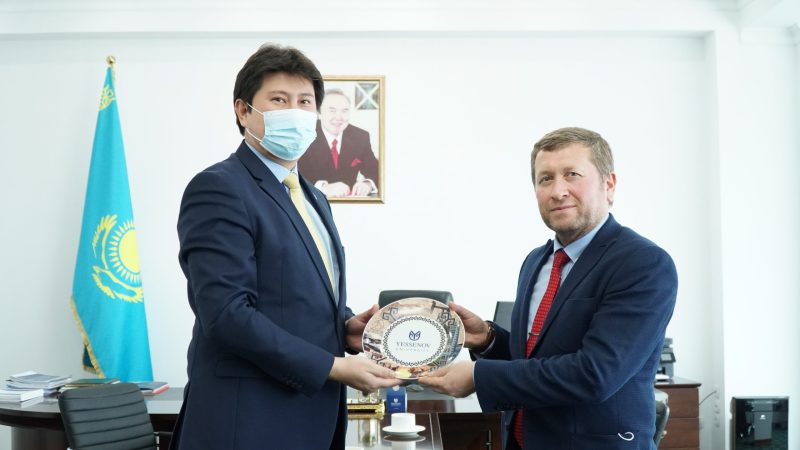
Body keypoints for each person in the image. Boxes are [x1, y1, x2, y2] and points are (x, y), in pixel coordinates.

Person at [171, 44, 400, 450]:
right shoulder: (219, 188)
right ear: (243, 111)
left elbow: (294, 298)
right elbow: (226, 315)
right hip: (249, 422)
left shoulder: (314, 197)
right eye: (279, 100)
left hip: (311, 417)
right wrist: (333, 366)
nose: (295, 112)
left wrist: (345, 327)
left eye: (305, 102)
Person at [420, 127, 678, 450]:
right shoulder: (536, 262)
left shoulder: (643, 263)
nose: (558, 191)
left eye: (572, 175)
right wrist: (488, 339)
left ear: (609, 185)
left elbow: (594, 374)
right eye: (545, 179)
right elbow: (538, 357)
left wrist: (478, 376)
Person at [299, 88, 380, 197]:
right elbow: (293, 175)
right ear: (319, 112)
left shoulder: (360, 137)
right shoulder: (304, 135)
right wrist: (323, 187)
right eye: (332, 110)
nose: (338, 117)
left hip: (347, 204)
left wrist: (368, 184)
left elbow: (377, 170)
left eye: (344, 111)